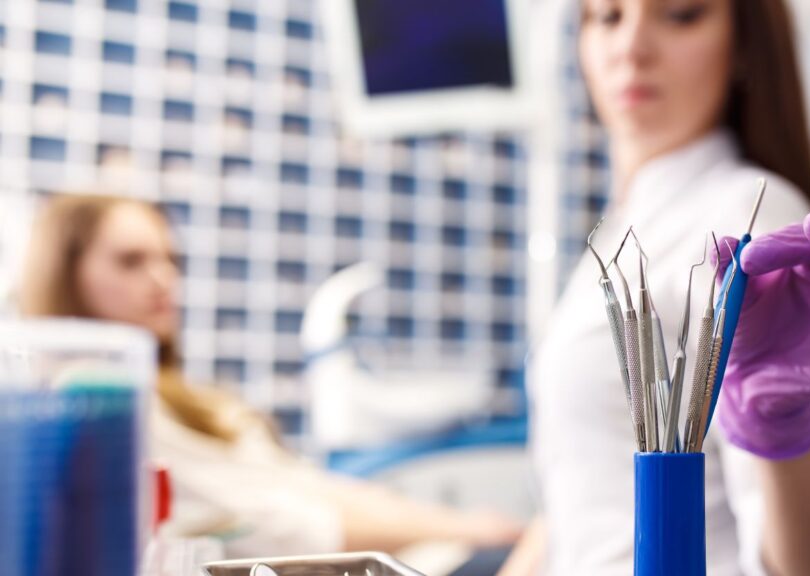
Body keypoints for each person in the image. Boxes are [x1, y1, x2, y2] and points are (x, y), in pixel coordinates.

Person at [505, 0, 810, 575]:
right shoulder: (625, 226)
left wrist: (779, 427)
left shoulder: (744, 214)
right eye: (606, 16)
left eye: (680, 14)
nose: (631, 46)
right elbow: (583, 506)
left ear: (745, 44)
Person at [19, 193, 523, 559]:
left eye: (169, 258)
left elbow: (297, 485)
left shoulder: (174, 398)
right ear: (65, 275)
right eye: (131, 261)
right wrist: (466, 527)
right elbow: (276, 525)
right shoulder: (92, 404)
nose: (163, 278)